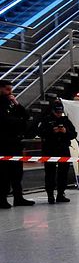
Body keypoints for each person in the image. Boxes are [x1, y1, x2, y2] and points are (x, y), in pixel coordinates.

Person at [33, 99, 76, 204]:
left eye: (60, 112)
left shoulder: (65, 120)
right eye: (57, 112)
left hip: (63, 149)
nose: (59, 114)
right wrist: (52, 131)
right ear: (52, 111)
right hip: (49, 149)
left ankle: (61, 193)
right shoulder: (46, 120)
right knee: (49, 173)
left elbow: (74, 134)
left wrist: (65, 132)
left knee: (63, 173)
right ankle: (50, 195)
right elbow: (40, 133)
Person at [0, 79, 32, 209]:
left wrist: (16, 103)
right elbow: (5, 121)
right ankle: (2, 198)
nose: (10, 92)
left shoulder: (10, 103)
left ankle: (18, 197)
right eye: (7, 89)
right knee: (4, 173)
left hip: (15, 143)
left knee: (17, 172)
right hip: (3, 144)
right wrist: (19, 122)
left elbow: (26, 116)